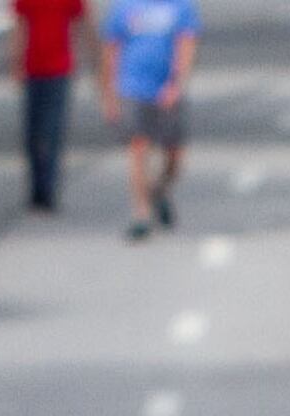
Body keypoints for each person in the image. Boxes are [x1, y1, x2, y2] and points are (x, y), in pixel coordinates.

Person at [96, 0, 199, 242]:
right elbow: (111, 50)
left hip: (167, 90)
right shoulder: (123, 6)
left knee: (174, 157)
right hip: (132, 89)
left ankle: (158, 190)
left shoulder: (180, 6)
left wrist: (176, 83)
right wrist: (109, 96)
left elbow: (186, 45)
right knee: (138, 148)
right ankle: (141, 214)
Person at [18, 0, 86, 210]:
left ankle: (48, 188)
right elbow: (20, 26)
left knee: (53, 131)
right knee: (32, 133)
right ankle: (36, 186)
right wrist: (17, 61)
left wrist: (80, 58)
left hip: (59, 69)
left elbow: (79, 25)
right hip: (33, 68)